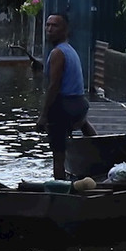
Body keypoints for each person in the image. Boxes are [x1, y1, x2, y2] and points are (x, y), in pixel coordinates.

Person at [43, 11, 89, 178]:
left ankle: (59, 189)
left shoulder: (57, 53)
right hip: (80, 105)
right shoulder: (69, 50)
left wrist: (43, 116)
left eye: (55, 26)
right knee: (83, 123)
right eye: (48, 25)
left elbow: (54, 86)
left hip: (64, 106)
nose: (49, 29)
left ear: (65, 30)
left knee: (58, 156)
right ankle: (98, 146)